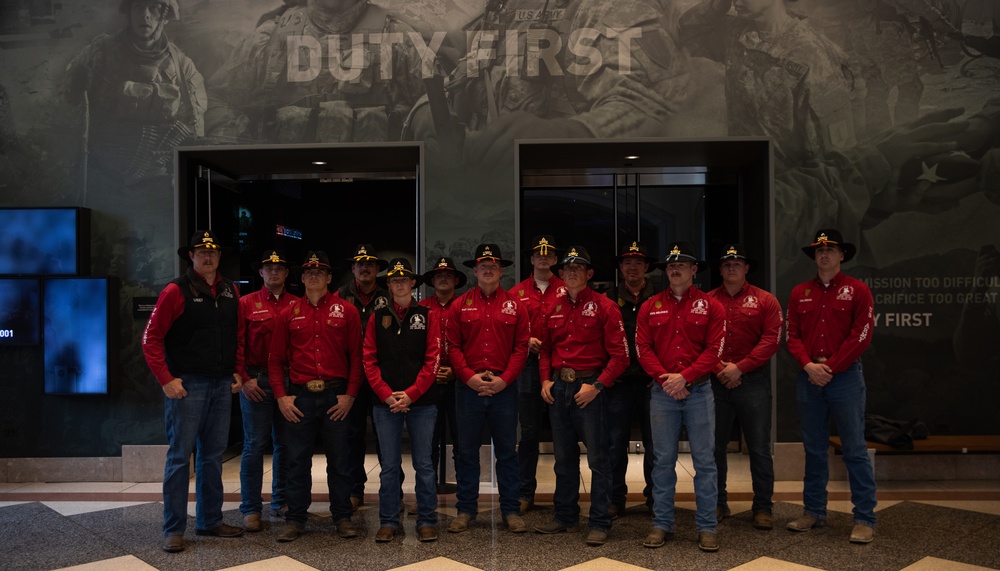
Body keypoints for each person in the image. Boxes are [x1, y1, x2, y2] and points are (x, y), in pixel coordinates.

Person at [142, 229, 244, 553]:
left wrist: (238, 371)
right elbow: (150, 339)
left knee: (212, 457)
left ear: (219, 256)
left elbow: (237, 335)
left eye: (213, 252)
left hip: (221, 384)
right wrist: (166, 379)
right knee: (179, 458)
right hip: (187, 386)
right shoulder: (176, 290)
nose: (208, 256)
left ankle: (210, 520)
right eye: (202, 251)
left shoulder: (230, 290)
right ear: (192, 255)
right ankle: (173, 528)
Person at [205, 0, 428, 143]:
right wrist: (242, 143)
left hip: (378, 180)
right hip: (286, 181)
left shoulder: (397, 36)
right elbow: (216, 100)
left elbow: (434, 104)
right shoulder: (272, 35)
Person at [679, 0, 857, 171]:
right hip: (744, 172)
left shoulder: (813, 56)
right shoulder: (737, 32)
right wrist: (717, 5)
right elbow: (688, 32)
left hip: (790, 189)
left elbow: (836, 164)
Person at [785, 229, 877, 544]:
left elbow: (861, 334)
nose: (824, 254)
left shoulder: (858, 290)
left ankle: (864, 517)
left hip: (846, 376)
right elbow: (791, 335)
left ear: (842, 255)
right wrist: (809, 366)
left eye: (830, 249)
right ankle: (814, 511)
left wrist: (830, 368)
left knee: (854, 449)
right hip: (809, 376)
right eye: (819, 250)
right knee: (813, 449)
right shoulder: (799, 293)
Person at [635, 241, 725, 552]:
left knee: (705, 461)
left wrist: (684, 378)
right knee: (662, 461)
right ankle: (661, 524)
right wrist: (667, 380)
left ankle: (707, 527)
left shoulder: (712, 306)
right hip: (662, 393)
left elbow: (715, 351)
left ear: (694, 270)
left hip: (699, 390)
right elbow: (643, 349)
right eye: (670, 266)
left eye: (682, 265)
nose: (675, 270)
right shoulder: (650, 306)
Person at [268, 251, 364, 543]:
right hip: (301, 397)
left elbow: (357, 357)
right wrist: (282, 397)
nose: (314, 276)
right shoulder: (289, 313)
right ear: (301, 277)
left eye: (320, 272)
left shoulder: (346, 310)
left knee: (340, 459)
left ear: (330, 277)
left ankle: (342, 517)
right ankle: (296, 518)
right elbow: (275, 361)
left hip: (336, 395)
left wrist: (349, 395)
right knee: (297, 459)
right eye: (309, 272)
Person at [536, 246, 629, 546]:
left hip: (590, 389)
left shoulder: (605, 306)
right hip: (559, 389)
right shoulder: (553, 306)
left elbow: (620, 357)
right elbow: (546, 349)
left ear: (589, 274)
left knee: (599, 459)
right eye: (567, 268)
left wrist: (598, 386)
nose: (572, 272)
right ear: (560, 274)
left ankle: (600, 521)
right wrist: (544, 381)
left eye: (579, 268)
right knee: (563, 458)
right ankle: (565, 516)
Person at [64, 0, 206, 183]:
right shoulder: (100, 53)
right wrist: (75, 88)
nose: (144, 14)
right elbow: (67, 109)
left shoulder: (182, 66)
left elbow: (194, 125)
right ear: (128, 12)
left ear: (166, 16)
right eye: (138, 6)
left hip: (157, 177)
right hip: (103, 175)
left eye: (154, 7)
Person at [445, 243, 530, 534]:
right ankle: (466, 509)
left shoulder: (516, 305)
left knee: (507, 452)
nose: (488, 268)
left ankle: (510, 510)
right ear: (475, 270)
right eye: (483, 264)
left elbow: (521, 348)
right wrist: (468, 377)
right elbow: (452, 347)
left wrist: (504, 379)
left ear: (501, 270)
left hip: (504, 389)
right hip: (467, 388)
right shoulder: (460, 305)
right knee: (467, 451)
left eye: (493, 264)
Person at [363, 258, 441, 543]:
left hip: (422, 401)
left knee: (424, 464)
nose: (399, 283)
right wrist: (386, 394)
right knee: (390, 465)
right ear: (388, 285)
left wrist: (411, 394)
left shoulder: (427, 315)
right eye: (394, 280)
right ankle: (388, 520)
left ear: (412, 283)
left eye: (404, 279)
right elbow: (368, 359)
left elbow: (433, 359)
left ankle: (427, 520)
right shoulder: (377, 317)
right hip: (385, 403)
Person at [706, 244, 783, 530]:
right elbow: (700, 341)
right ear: (720, 268)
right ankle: (717, 502)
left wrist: (740, 367)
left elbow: (771, 340)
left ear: (747, 267)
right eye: (726, 263)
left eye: (737, 263)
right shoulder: (707, 300)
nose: (731, 267)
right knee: (713, 448)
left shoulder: (766, 300)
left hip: (753, 382)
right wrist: (720, 368)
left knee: (760, 448)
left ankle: (763, 507)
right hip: (715, 381)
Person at [236, 249, 298, 532]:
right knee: (254, 445)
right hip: (256, 382)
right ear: (260, 273)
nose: (274, 272)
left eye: (279, 268)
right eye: (268, 268)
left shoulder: (298, 304)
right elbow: (236, 344)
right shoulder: (246, 303)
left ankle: (281, 500)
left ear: (286, 273)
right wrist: (244, 378)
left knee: (285, 445)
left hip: (287, 382)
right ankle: (250, 507)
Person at [605, 240, 658, 515]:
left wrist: (659, 373)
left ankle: (655, 500)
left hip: (653, 382)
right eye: (627, 262)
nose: (633, 267)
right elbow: (598, 338)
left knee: (655, 444)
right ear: (621, 267)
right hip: (619, 383)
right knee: (615, 444)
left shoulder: (661, 296)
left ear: (646, 267)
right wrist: (607, 374)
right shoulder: (608, 298)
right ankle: (615, 499)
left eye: (638, 262)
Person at [512, 235, 564, 515]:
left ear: (555, 260)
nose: (543, 257)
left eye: (549, 254)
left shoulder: (567, 289)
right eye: (538, 254)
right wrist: (525, 341)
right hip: (528, 367)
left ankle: (564, 496)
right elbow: (507, 331)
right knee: (529, 432)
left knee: (563, 433)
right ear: (531, 259)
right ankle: (524, 493)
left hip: (561, 365)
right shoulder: (517, 293)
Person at [336, 244, 390, 510]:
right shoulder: (340, 297)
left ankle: (391, 493)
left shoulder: (389, 295)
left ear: (378, 269)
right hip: (350, 376)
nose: (365, 267)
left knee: (386, 436)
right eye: (360, 263)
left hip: (383, 375)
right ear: (353, 268)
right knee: (352, 436)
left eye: (370, 263)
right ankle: (354, 490)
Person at [419, 257, 469, 491]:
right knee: (428, 441)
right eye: (439, 275)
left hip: (460, 381)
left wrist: (456, 371)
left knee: (462, 440)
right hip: (428, 382)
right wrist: (432, 370)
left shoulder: (466, 305)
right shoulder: (420, 309)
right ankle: (426, 493)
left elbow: (473, 344)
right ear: (432, 280)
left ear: (456, 280)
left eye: (448, 275)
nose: (443, 278)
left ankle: (464, 492)